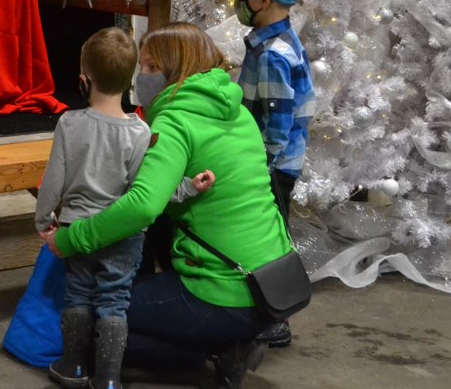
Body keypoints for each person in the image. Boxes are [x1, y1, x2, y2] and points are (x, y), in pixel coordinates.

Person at [43, 23, 293, 389]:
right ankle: (228, 338)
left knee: (100, 322)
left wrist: (69, 239)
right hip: (266, 287)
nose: (140, 78)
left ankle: (222, 349)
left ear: (175, 70)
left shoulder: (175, 121)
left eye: (150, 68)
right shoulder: (237, 113)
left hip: (220, 291)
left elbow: (142, 206)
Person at [35, 27, 216, 389]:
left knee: (78, 295)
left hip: (75, 226)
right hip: (124, 236)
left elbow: (54, 179)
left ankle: (72, 366)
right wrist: (188, 188)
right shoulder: (140, 131)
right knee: (114, 301)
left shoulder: (69, 124)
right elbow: (147, 189)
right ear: (131, 79)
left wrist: (44, 221)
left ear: (83, 79)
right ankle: (109, 379)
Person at [217, 0, 315, 348]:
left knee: (272, 240)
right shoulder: (272, 42)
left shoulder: (275, 54)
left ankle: (277, 318)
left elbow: (277, 122)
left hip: (272, 166)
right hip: (273, 162)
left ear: (263, 0)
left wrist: (261, 167)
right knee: (272, 235)